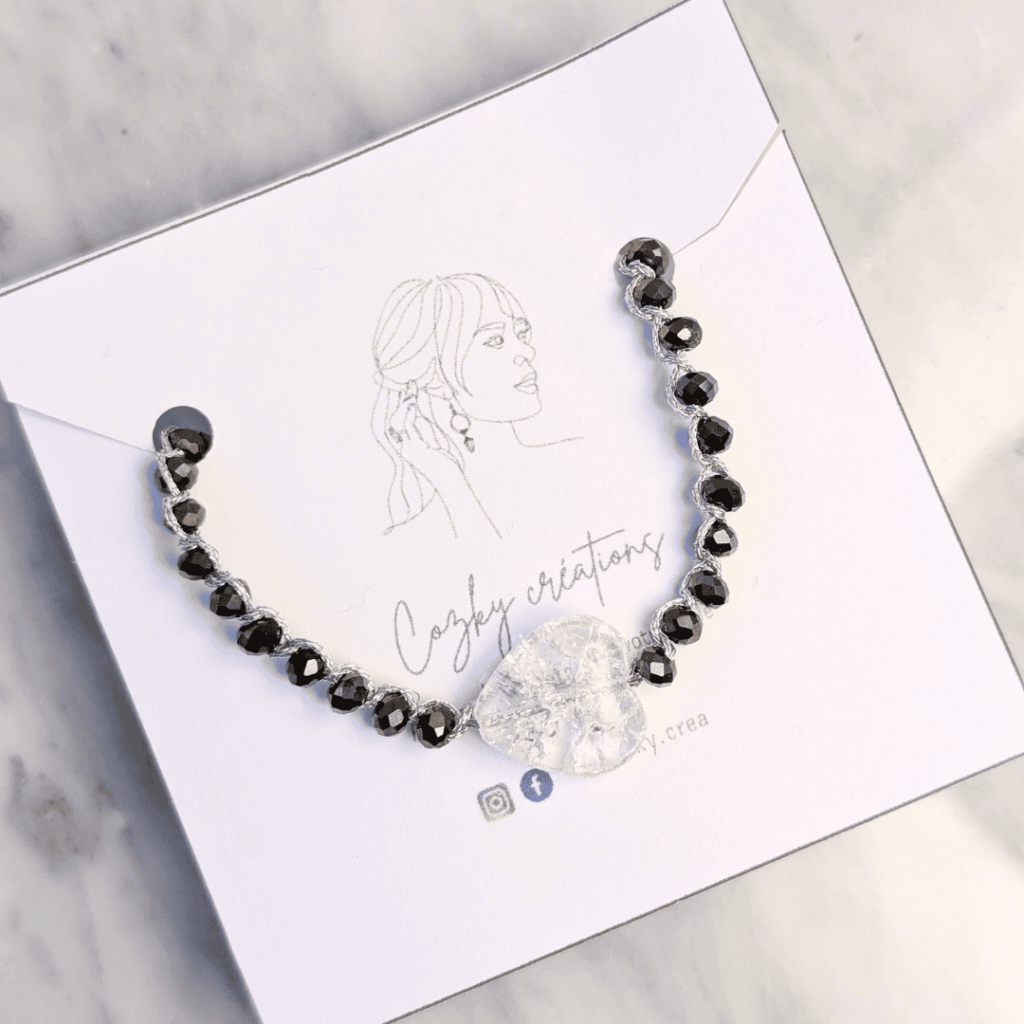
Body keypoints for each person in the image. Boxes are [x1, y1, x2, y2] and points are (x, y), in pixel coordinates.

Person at [371, 273, 562, 538]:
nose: (527, 352)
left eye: (522, 334)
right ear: (436, 377)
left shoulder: (579, 458)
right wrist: (448, 481)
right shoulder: (414, 534)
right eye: (495, 340)